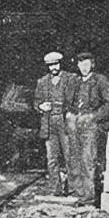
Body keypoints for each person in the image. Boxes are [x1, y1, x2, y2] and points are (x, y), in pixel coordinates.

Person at [69, 51, 109, 206]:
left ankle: (89, 198)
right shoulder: (76, 81)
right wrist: (70, 113)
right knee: (75, 159)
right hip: (76, 123)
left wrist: (93, 117)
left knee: (88, 160)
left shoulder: (100, 81)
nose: (84, 67)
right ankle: (78, 193)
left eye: (87, 64)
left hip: (92, 126)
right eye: (81, 64)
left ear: (92, 65)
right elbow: (69, 102)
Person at [33, 51, 77, 195]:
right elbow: (36, 102)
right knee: (51, 158)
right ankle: (54, 188)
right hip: (49, 122)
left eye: (56, 64)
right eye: (50, 65)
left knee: (69, 156)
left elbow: (76, 99)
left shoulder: (70, 78)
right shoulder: (42, 82)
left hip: (65, 122)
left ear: (61, 63)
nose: (54, 68)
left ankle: (73, 189)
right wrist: (40, 106)